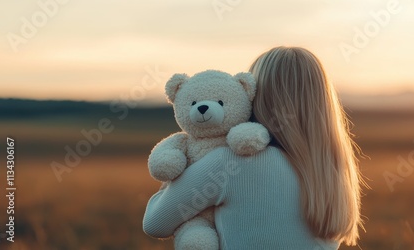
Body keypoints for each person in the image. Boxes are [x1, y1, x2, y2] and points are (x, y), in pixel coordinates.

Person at [143, 46, 365, 249]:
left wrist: (186, 169)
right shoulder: (333, 173)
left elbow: (155, 223)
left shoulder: (230, 162)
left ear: (257, 97)